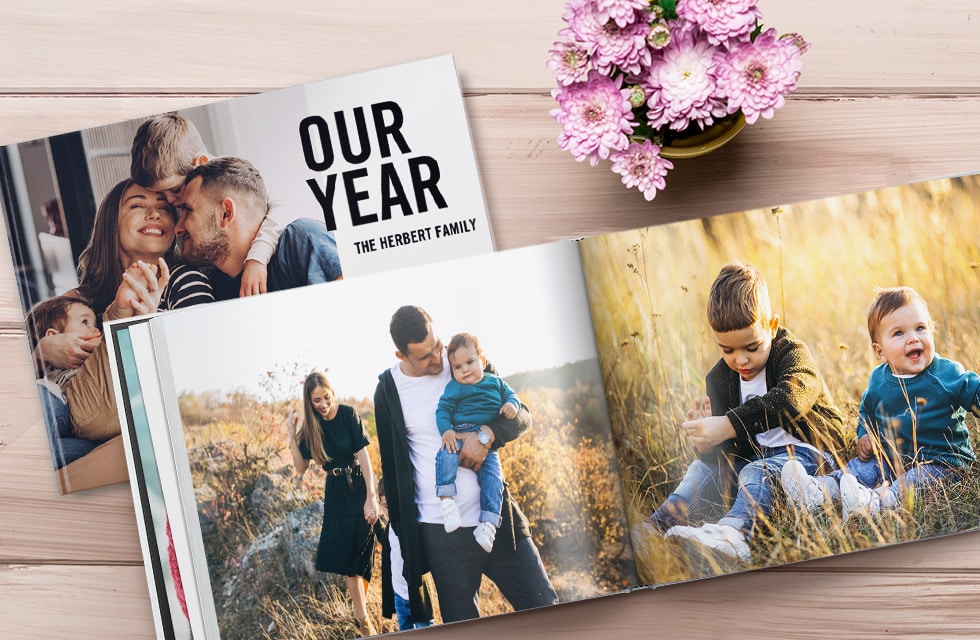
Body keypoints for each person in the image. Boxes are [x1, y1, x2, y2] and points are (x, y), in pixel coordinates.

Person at [633, 262, 847, 565]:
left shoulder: (790, 354)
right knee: (702, 471)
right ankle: (651, 530)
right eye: (727, 350)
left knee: (755, 471)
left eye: (752, 346)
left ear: (771, 326)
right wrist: (708, 447)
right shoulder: (719, 379)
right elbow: (730, 455)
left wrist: (728, 424)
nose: (741, 359)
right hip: (758, 459)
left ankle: (734, 535)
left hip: (812, 456)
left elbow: (791, 400)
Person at [373, 305, 558, 623]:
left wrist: (488, 435)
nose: (438, 359)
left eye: (437, 346)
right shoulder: (388, 392)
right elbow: (392, 469)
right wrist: (404, 536)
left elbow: (521, 415)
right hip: (443, 532)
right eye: (425, 357)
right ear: (402, 356)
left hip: (498, 519)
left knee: (547, 609)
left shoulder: (464, 359)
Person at [30, 179, 214, 447]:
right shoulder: (77, 300)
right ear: (111, 224)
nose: (154, 214)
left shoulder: (183, 280)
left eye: (163, 209)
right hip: (75, 425)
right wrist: (40, 353)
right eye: (138, 205)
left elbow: (201, 355)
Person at [781, 286, 980, 519]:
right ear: (880, 352)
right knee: (859, 469)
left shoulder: (945, 374)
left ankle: (875, 503)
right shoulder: (878, 381)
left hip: (942, 462)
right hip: (891, 458)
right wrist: (864, 434)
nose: (913, 338)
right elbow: (867, 411)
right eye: (899, 333)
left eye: (920, 328)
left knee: (915, 480)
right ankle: (817, 491)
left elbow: (973, 390)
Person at [130, 113, 283, 297]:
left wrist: (257, 258)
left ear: (201, 162)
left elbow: (278, 208)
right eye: (161, 195)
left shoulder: (234, 181)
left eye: (175, 189)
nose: (170, 201)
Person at [287, 372, 380, 637]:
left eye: (326, 397)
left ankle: (359, 609)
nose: (323, 404)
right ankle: (363, 620)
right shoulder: (310, 431)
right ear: (309, 401)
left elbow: (364, 456)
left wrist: (371, 497)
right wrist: (292, 434)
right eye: (317, 400)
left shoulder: (349, 414)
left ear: (332, 393)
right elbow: (300, 467)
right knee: (351, 559)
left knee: (365, 554)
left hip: (360, 486)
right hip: (336, 493)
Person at [172, 156, 342, 300]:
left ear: (226, 213)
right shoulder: (210, 287)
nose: (177, 229)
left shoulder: (300, 241)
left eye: (188, 210)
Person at [435, 332, 520, 553]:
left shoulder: (496, 382)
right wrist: (446, 431)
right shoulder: (454, 387)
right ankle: (447, 501)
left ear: (482, 361)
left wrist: (512, 406)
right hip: (460, 433)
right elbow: (443, 409)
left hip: (488, 445)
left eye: (470, 362)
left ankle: (488, 524)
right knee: (445, 456)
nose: (464, 370)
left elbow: (513, 397)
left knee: (494, 480)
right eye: (457, 366)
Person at [24, 295, 102, 467]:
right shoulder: (43, 371)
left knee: (96, 450)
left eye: (95, 324)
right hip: (52, 406)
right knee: (45, 394)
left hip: (77, 429)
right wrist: (40, 352)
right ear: (53, 336)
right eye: (84, 322)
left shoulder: (96, 362)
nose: (96, 330)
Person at [377, 477, 434, 631]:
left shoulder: (412, 525)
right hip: (399, 595)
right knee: (405, 632)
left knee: (426, 631)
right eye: (386, 506)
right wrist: (375, 522)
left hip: (418, 593)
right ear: (380, 505)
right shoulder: (389, 527)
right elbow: (386, 542)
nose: (391, 511)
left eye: (394, 505)